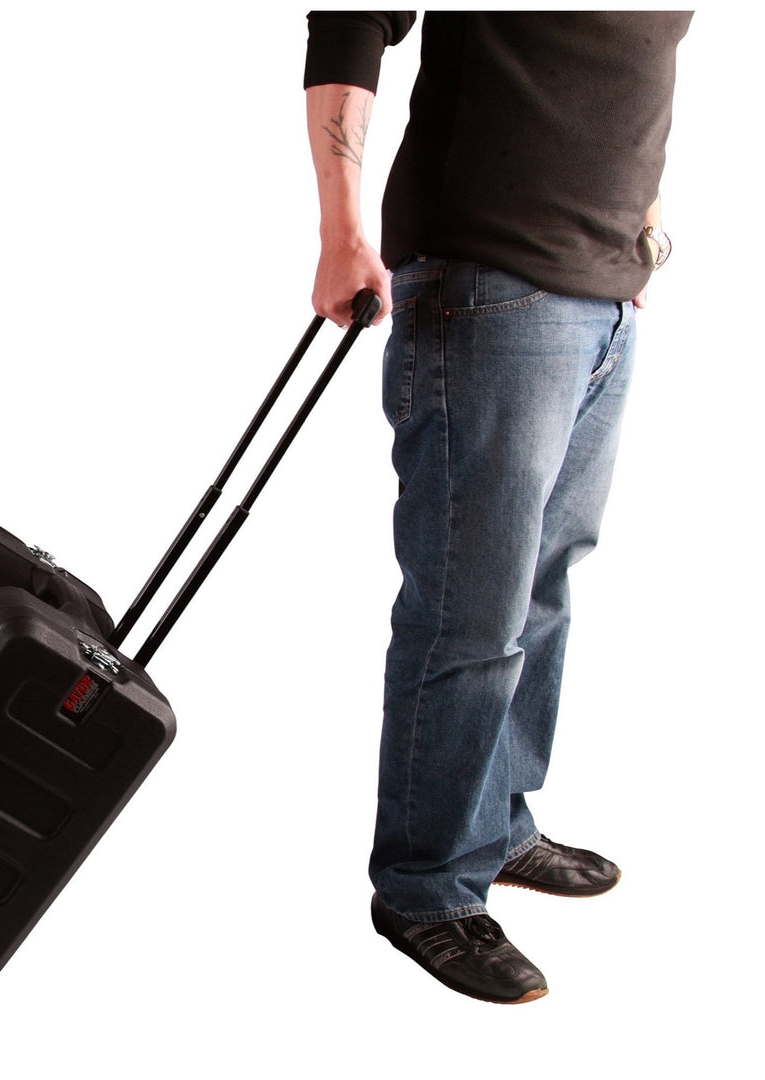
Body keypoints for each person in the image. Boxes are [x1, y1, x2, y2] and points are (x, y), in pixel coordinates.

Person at [303, 10, 692, 1004]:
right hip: (489, 285)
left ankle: (495, 822)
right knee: (470, 610)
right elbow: (350, 22)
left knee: (543, 587)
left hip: (605, 295)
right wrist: (343, 232)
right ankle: (426, 889)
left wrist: (642, 225)